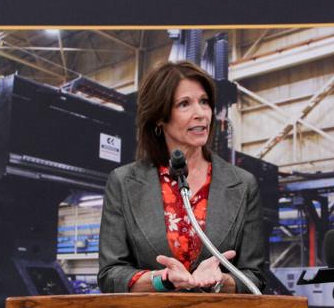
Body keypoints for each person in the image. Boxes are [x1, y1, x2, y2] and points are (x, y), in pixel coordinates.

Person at [98, 60, 266, 295]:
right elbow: (110, 275)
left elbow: (255, 277)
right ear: (160, 117)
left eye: (204, 102)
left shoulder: (243, 184)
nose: (201, 114)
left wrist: (221, 281)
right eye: (184, 104)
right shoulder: (123, 182)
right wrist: (162, 280)